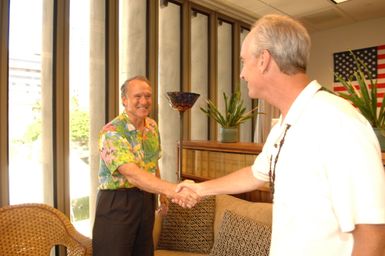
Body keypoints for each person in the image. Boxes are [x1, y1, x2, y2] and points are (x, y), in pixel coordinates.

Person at [176, 14, 385, 256]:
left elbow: (373, 231)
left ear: (264, 60)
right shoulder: (283, 126)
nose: (242, 74)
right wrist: (199, 190)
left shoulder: (337, 122)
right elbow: (255, 175)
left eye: (244, 62)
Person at [92, 75, 198, 256]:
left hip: (145, 201)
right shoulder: (111, 132)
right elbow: (132, 174)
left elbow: (153, 162)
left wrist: (162, 194)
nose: (144, 101)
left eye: (148, 96)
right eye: (137, 96)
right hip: (118, 203)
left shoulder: (152, 126)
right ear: (124, 100)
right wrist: (172, 190)